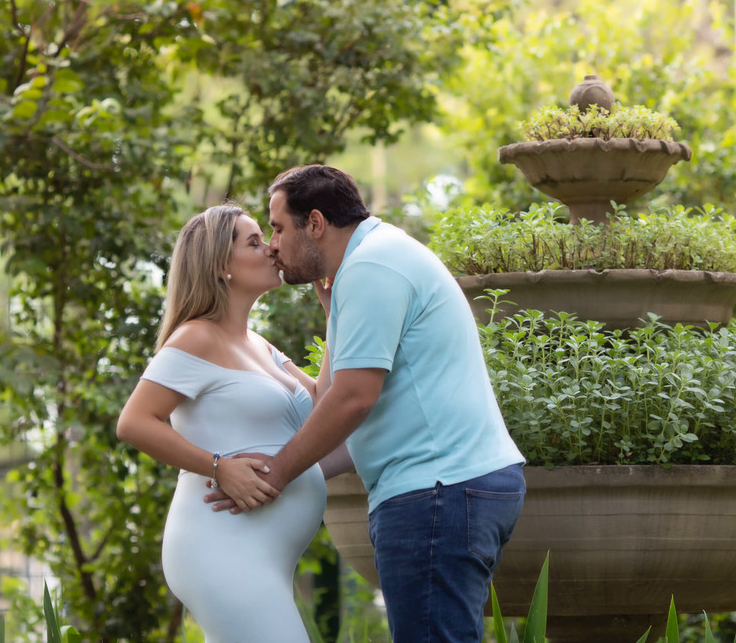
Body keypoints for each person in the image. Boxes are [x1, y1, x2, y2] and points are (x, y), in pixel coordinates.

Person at [210, 165, 526, 643]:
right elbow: (328, 400)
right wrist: (333, 314)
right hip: (450, 487)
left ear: (314, 223)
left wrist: (275, 475)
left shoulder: (371, 267)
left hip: (436, 493)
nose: (272, 244)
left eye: (277, 228)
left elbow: (353, 400)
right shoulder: (368, 264)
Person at [116, 203, 349, 643]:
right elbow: (134, 422)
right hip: (220, 547)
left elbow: (322, 403)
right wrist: (220, 466)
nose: (272, 249)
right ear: (222, 264)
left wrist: (334, 314)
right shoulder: (197, 336)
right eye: (255, 242)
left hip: (263, 555)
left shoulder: (259, 345)